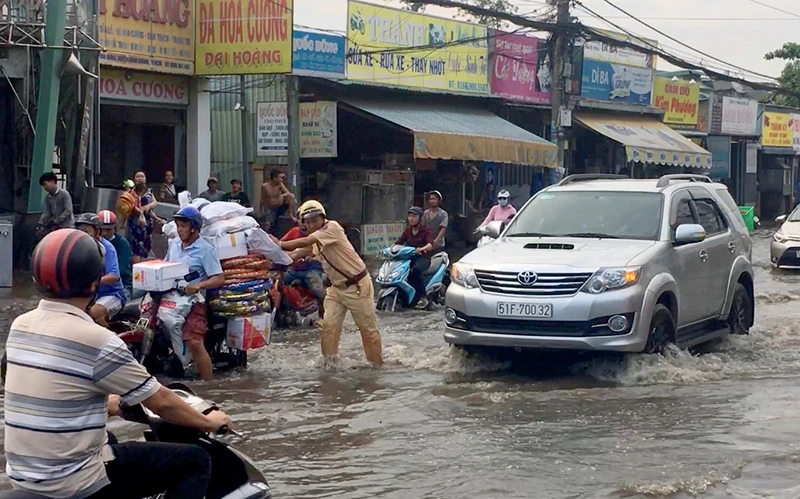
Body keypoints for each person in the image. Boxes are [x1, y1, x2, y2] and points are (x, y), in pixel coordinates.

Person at [4, 228, 230, 499]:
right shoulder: (98, 339)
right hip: (73, 484)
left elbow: (50, 386)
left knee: (110, 440)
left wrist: (108, 405)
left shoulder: (20, 326)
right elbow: (162, 402)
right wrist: (209, 423)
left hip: (24, 477)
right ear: (93, 284)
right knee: (195, 460)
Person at [278, 200, 383, 365]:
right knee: (329, 327)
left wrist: (280, 244)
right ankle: (329, 363)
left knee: (367, 329)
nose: (312, 224)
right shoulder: (316, 241)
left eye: (315, 220)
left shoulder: (331, 228)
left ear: (323, 218)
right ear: (303, 224)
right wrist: (270, 255)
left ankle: (376, 364)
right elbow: (297, 253)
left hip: (356, 285)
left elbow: (304, 243)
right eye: (308, 222)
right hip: (336, 288)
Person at [163, 206, 226, 381]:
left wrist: (198, 286)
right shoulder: (174, 244)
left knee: (195, 342)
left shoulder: (205, 249)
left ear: (193, 228)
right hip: (170, 296)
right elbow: (165, 267)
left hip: (193, 300)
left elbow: (219, 278)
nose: (179, 229)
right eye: (177, 225)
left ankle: (208, 385)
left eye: (183, 226)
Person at [75, 213, 127, 327]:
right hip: (90, 294)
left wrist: (94, 282)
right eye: (80, 231)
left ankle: (110, 340)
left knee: (94, 313)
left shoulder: (107, 248)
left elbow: (114, 276)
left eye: (86, 231)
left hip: (112, 294)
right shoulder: (78, 248)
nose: (83, 235)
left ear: (97, 232)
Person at [282, 223, 326, 319]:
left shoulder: (319, 235)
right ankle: (285, 312)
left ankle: (323, 313)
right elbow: (280, 247)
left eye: (310, 222)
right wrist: (290, 257)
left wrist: (314, 257)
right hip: (294, 269)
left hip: (312, 269)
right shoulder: (294, 232)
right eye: (304, 221)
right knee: (279, 282)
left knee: (318, 290)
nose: (306, 225)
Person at [395, 206, 434, 309]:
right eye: (410, 216)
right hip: (409, 258)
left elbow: (430, 244)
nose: (411, 219)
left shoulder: (425, 231)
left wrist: (422, 248)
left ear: (420, 218)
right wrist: (390, 250)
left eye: (414, 216)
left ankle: (423, 296)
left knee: (414, 271)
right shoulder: (408, 230)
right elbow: (399, 242)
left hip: (423, 258)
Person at [127, 169, 164, 263]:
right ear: (134, 179)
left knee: (146, 247)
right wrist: (140, 212)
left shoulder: (149, 191)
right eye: (138, 177)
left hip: (148, 222)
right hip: (136, 222)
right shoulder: (131, 192)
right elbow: (130, 205)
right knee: (136, 248)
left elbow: (154, 202)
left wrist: (148, 207)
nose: (140, 178)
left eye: (142, 176)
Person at [99, 209, 134, 300]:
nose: (104, 233)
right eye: (101, 230)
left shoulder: (122, 244)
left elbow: (121, 271)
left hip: (121, 287)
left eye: (108, 229)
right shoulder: (92, 242)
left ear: (115, 228)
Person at [261, 169, 297, 233]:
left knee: (292, 196)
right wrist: (262, 210)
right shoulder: (265, 186)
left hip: (279, 204)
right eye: (280, 178)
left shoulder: (280, 184)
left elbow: (288, 193)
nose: (282, 180)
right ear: (274, 178)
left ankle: (290, 214)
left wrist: (282, 196)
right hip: (271, 208)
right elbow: (263, 199)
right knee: (271, 226)